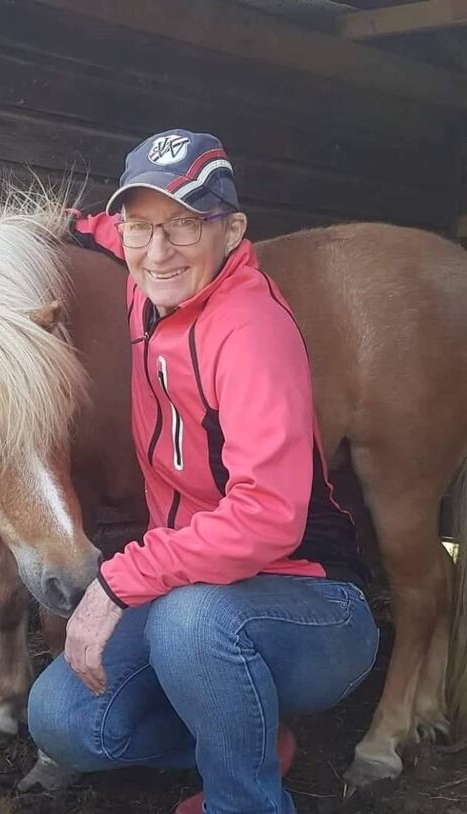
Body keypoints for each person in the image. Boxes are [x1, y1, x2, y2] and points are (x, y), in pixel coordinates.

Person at [26, 130, 379, 814]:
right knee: (64, 721)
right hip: (198, 589)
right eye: (143, 226)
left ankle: (243, 798)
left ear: (232, 229)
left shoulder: (249, 330)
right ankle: (243, 739)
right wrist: (51, 224)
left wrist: (116, 583)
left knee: (191, 622)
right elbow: (102, 230)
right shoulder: (148, 281)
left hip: (312, 606)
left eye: (186, 223)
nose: (159, 250)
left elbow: (268, 517)